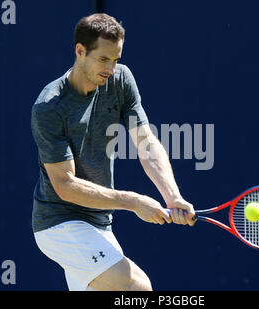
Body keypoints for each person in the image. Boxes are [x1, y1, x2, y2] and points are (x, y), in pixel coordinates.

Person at [30, 13, 195, 291]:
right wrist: (133, 201)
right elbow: (65, 185)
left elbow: (146, 143)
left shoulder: (121, 80)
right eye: (103, 59)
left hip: (99, 225)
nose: (110, 68)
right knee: (138, 288)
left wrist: (172, 195)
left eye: (116, 59)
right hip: (59, 225)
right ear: (80, 51)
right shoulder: (49, 107)